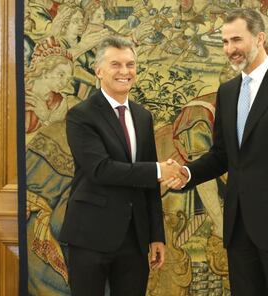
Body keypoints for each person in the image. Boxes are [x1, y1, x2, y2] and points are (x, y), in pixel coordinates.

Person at [165, 8, 268, 296]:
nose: (230, 49)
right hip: (238, 229)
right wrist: (187, 172)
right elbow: (222, 156)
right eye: (225, 42)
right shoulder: (227, 91)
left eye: (236, 40)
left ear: (260, 38)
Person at [59, 36, 180, 296]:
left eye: (130, 65)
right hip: (90, 235)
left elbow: (148, 184)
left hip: (134, 240)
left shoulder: (143, 116)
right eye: (116, 64)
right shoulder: (81, 116)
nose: (125, 72)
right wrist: (159, 171)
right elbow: (101, 169)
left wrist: (156, 235)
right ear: (99, 70)